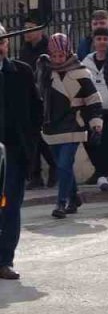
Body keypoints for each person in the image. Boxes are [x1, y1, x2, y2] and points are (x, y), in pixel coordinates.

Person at [36, 34, 104, 219]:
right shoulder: (46, 71)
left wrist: (96, 123)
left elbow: (93, 99)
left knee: (65, 164)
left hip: (74, 123)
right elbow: (39, 97)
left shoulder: (81, 72)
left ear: (68, 52)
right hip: (51, 125)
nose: (58, 59)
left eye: (61, 55)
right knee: (61, 165)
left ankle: (61, 202)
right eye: (54, 55)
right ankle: (74, 198)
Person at [0, 26, 43, 280]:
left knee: (10, 207)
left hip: (14, 153)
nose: (0, 45)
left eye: (2, 40)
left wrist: (30, 140)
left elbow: (37, 108)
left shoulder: (21, 72)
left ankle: (5, 260)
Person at [81, 27, 108, 192]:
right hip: (93, 110)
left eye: (106, 39)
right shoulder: (86, 62)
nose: (102, 42)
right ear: (94, 42)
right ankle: (102, 173)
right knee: (92, 142)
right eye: (99, 39)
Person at [18, 19, 55, 190]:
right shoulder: (25, 49)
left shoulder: (47, 48)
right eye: (25, 29)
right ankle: (35, 174)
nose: (27, 32)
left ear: (40, 30)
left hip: (46, 97)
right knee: (33, 137)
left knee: (43, 137)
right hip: (29, 96)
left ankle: (54, 167)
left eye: (31, 29)